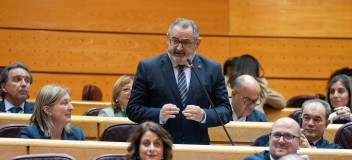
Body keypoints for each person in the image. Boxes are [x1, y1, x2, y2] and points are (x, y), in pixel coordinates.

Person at [127, 18, 232, 145]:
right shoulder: (148, 67)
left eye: (186, 42)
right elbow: (133, 109)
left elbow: (225, 111)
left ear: (197, 43)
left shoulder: (212, 69)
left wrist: (203, 115)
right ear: (167, 38)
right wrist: (158, 114)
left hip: (197, 149)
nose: (179, 48)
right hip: (158, 147)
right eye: (175, 41)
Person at [21, 85, 85, 140]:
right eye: (65, 103)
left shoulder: (77, 134)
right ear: (47, 110)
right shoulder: (30, 135)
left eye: (70, 102)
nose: (71, 107)